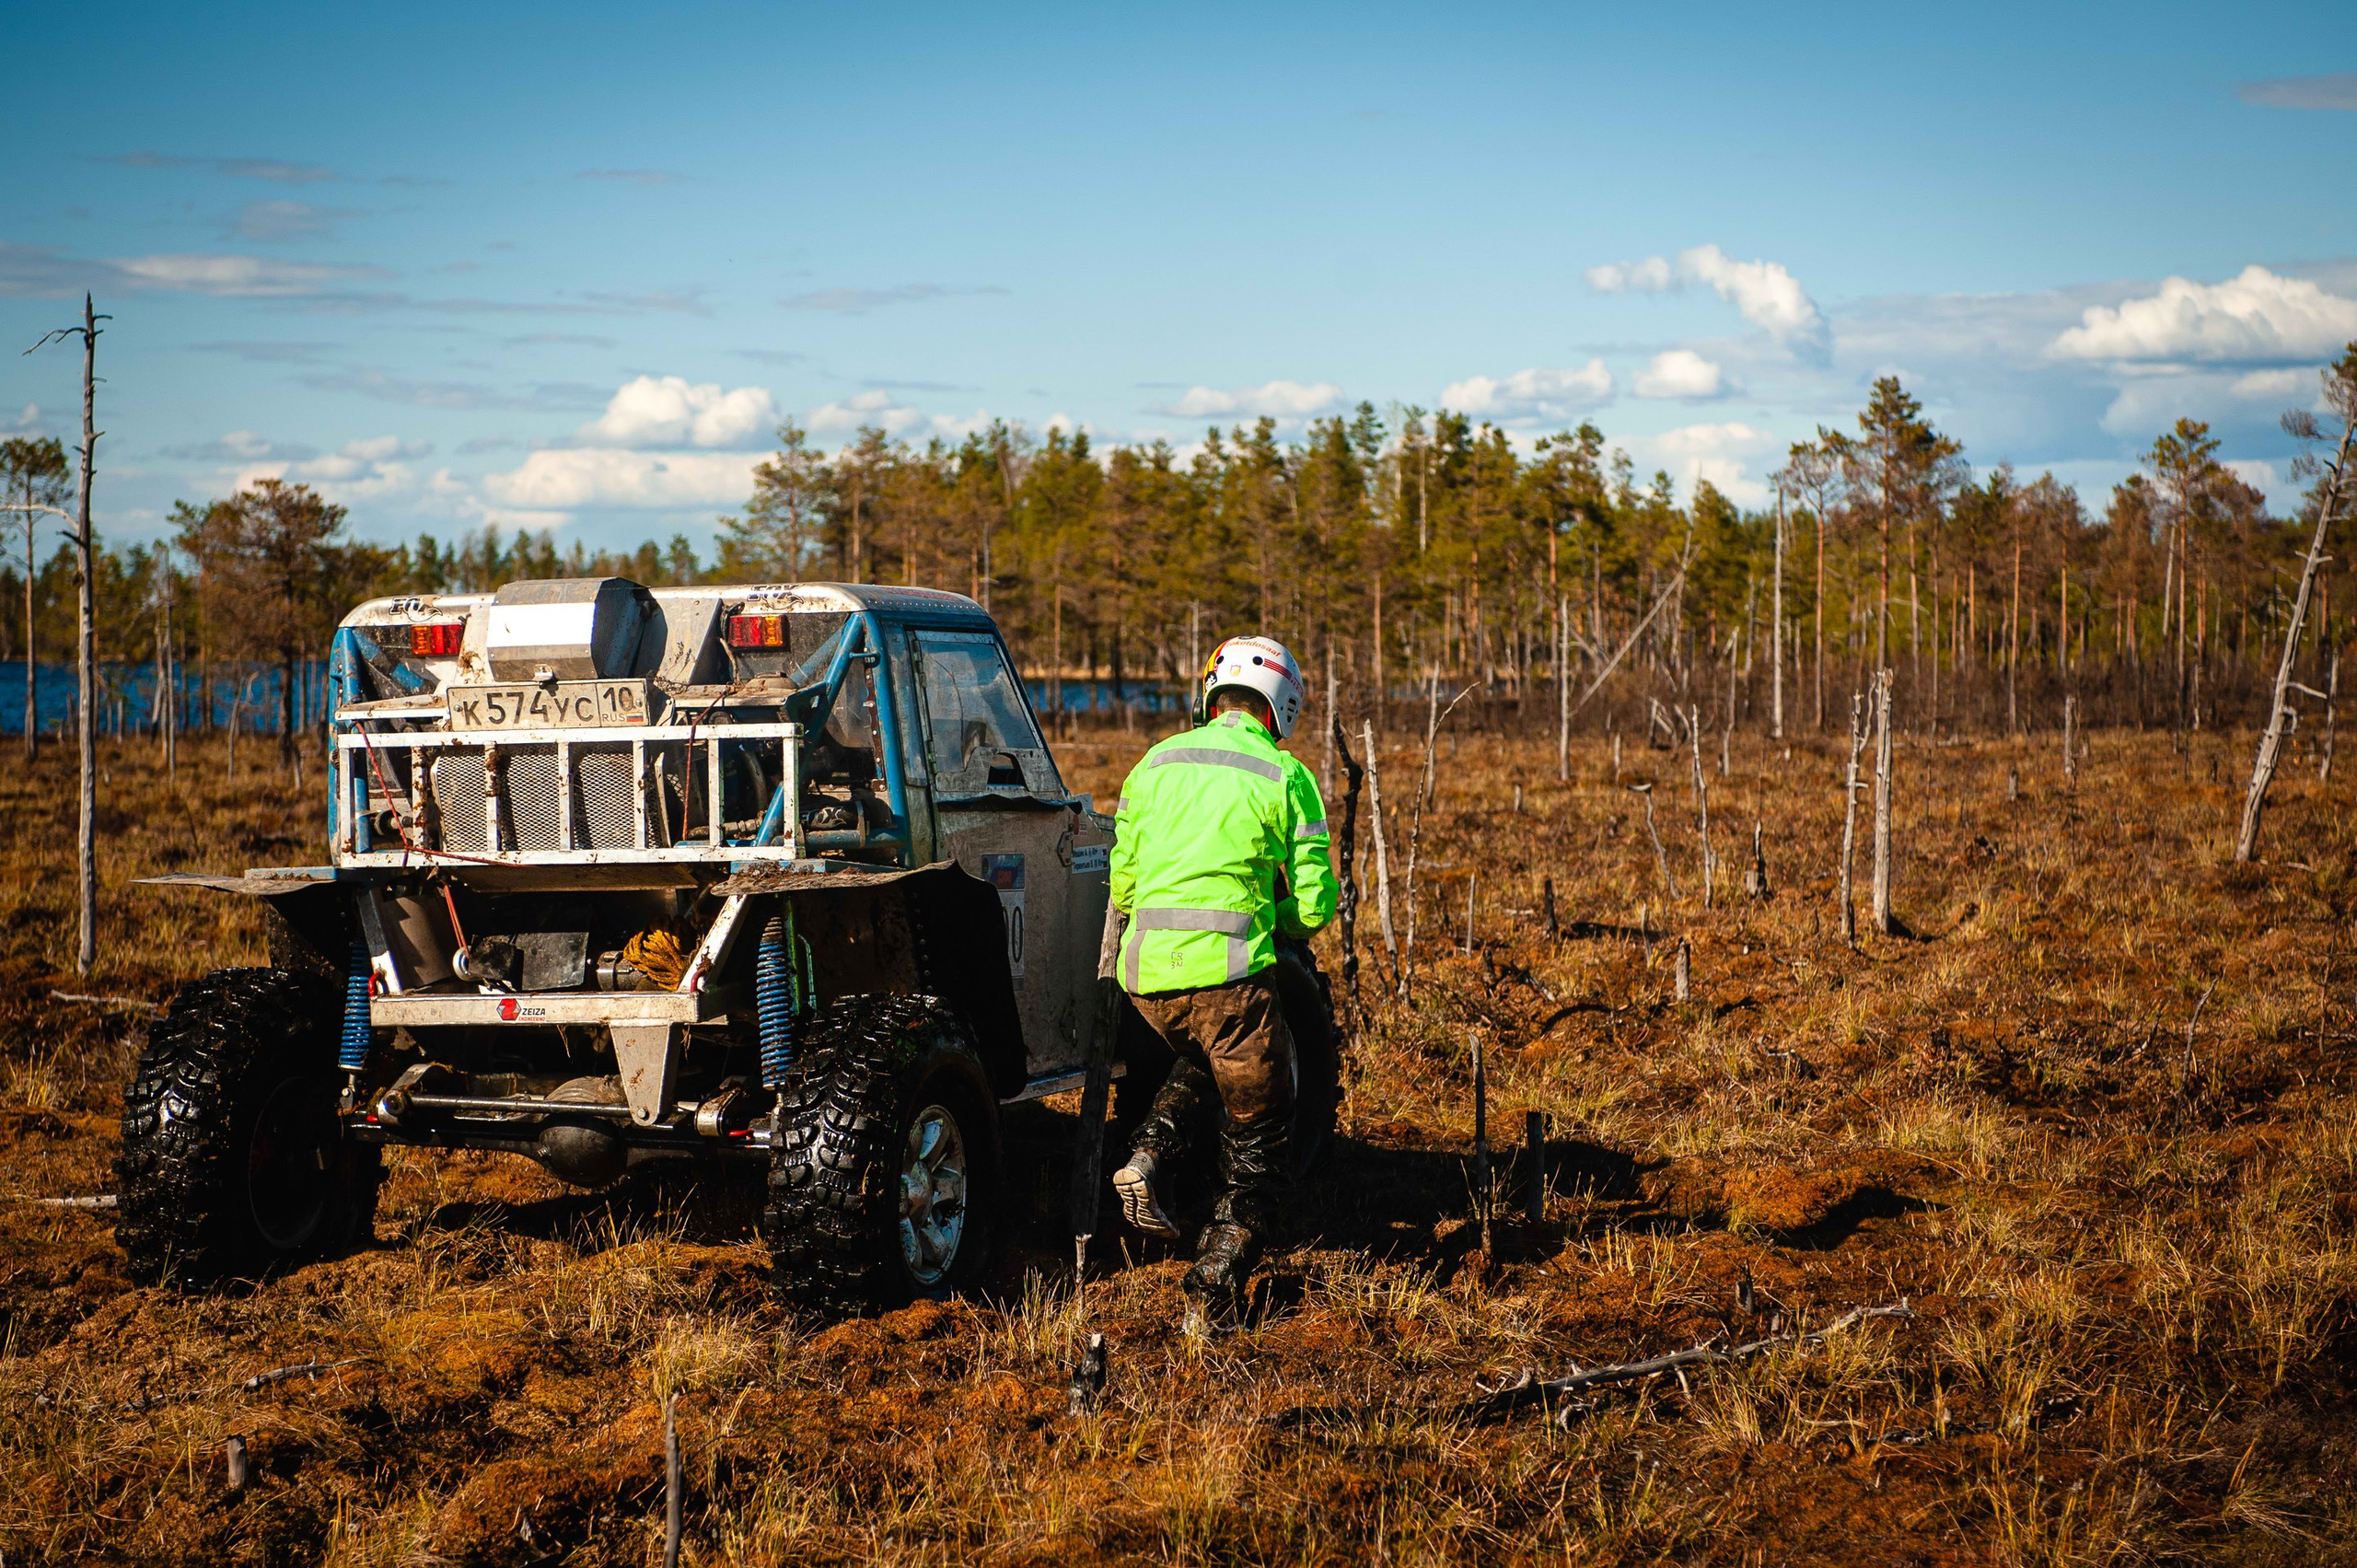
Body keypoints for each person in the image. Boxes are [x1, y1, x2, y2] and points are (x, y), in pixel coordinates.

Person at [1107, 634, 1337, 1304]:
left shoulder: (1155, 761)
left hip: (1146, 983)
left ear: (1212, 696)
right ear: (1281, 707)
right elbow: (1318, 901)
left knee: (1207, 1050)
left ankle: (1149, 1153)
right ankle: (1217, 1279)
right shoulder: (1285, 775)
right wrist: (1276, 920)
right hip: (1228, 975)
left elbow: (1123, 885)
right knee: (1264, 1132)